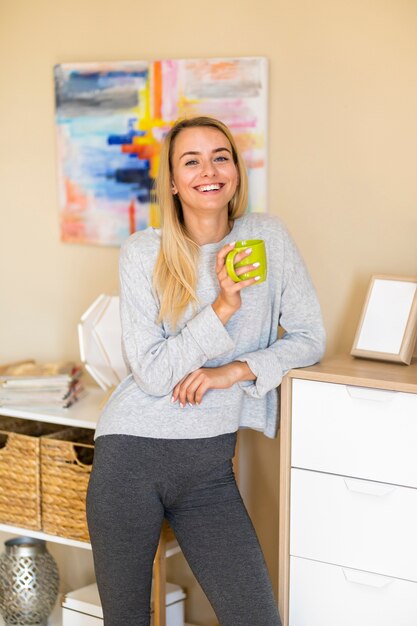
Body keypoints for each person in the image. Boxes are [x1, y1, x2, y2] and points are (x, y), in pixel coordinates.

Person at [86, 116, 325, 626]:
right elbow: (151, 375)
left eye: (221, 156)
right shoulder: (144, 252)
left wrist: (234, 371)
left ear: (236, 170)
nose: (209, 170)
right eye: (190, 161)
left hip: (209, 469)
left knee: (255, 617)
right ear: (172, 181)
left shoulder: (268, 238)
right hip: (130, 457)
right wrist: (221, 308)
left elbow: (309, 339)